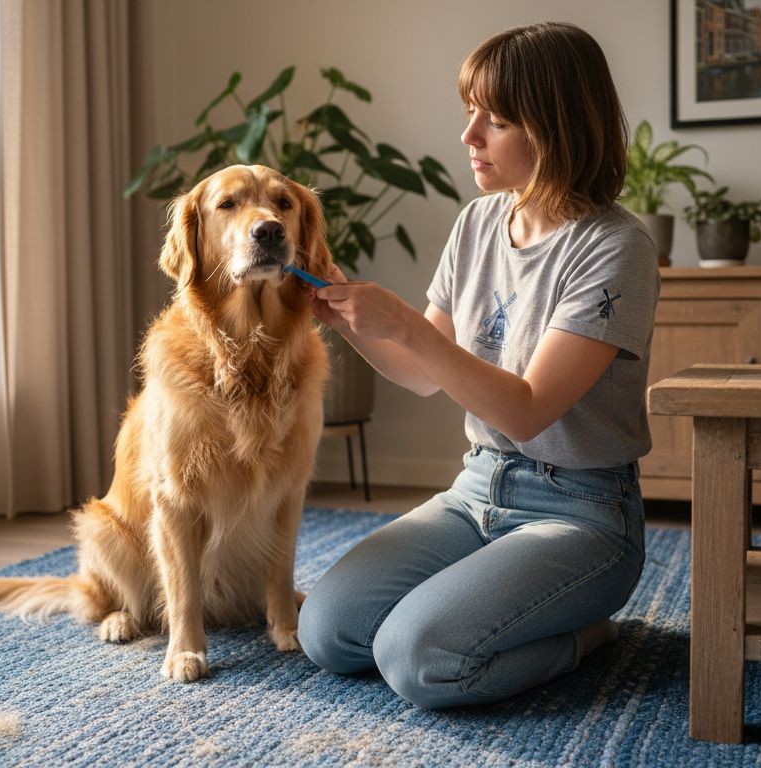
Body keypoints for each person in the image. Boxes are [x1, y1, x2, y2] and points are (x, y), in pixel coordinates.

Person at [296, 21, 660, 709]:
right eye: (471, 115)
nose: (469, 138)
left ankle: (586, 635)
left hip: (580, 514)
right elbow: (423, 372)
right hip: (476, 491)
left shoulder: (616, 247)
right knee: (328, 631)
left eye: (494, 121)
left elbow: (525, 410)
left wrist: (403, 320)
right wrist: (346, 312)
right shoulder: (478, 223)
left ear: (556, 127)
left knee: (418, 660)